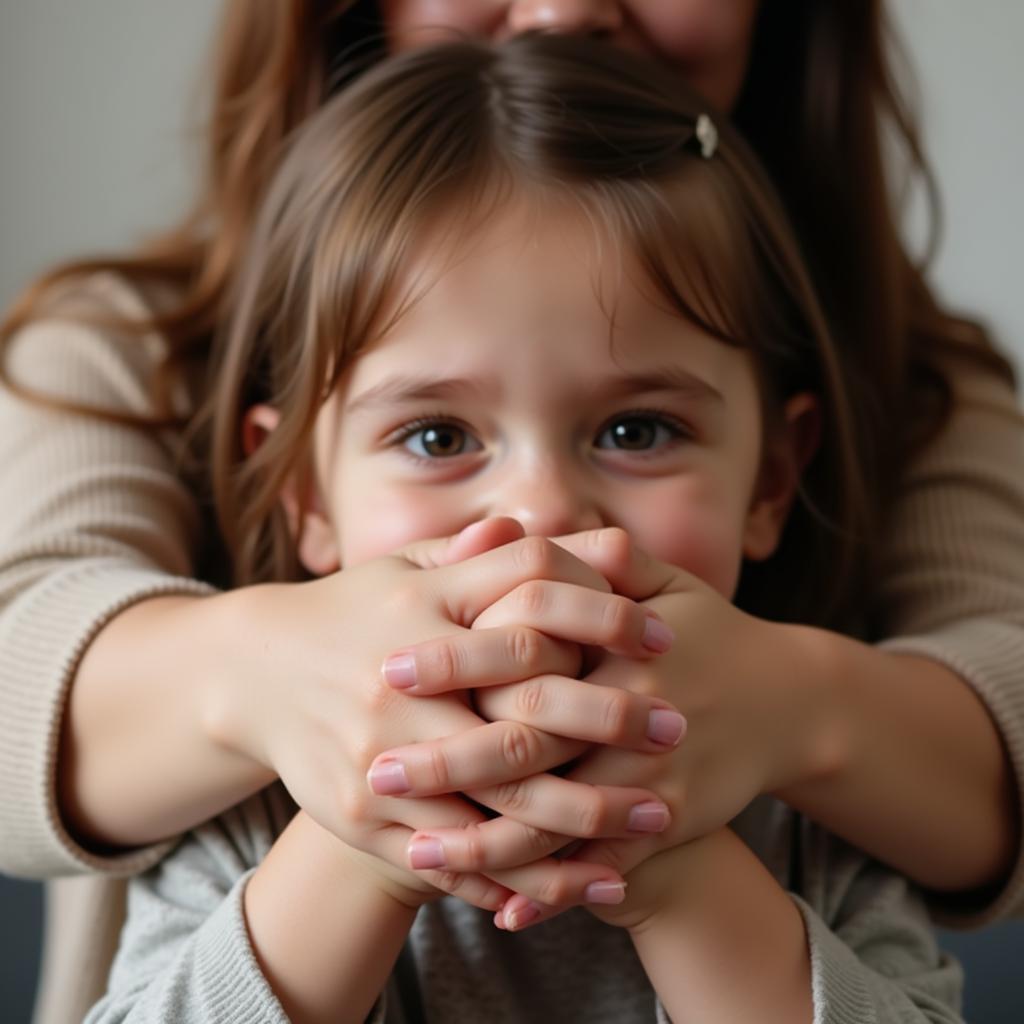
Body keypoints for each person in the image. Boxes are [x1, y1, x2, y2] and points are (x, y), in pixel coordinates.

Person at [0, 2, 1020, 1022]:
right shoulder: (249, 805)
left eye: (636, 431)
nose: (539, 514)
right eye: (438, 437)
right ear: (300, 490)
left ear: (771, 480)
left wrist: (696, 835)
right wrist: (351, 784)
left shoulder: (811, 824)